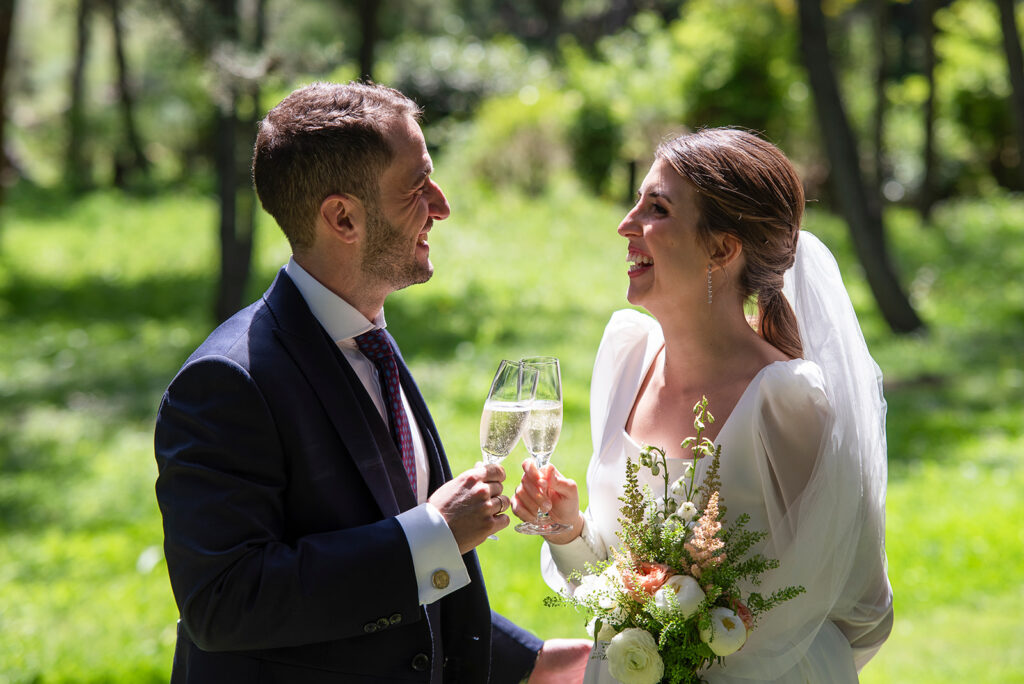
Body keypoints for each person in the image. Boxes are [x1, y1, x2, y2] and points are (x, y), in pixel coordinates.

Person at [154, 81, 591, 684]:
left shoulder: (370, 342)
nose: (441, 205)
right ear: (343, 217)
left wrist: (530, 662)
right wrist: (437, 533)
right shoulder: (226, 384)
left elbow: (397, 575)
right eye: (417, 185)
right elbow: (226, 602)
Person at [512, 128, 894, 682]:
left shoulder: (785, 401)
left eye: (657, 208)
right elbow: (611, 580)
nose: (626, 224)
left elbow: (861, 608)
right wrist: (568, 531)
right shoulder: (627, 360)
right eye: (637, 202)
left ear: (721, 249)